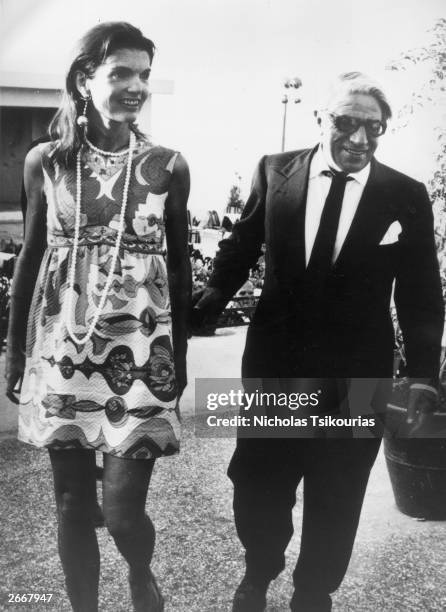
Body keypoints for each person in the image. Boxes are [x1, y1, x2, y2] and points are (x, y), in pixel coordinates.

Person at [195, 72, 444, 611]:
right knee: (259, 482)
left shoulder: (404, 195)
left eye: (372, 128)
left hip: (357, 375)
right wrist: (212, 293)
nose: (359, 139)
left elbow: (422, 293)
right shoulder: (275, 170)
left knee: (338, 491)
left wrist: (422, 374)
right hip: (276, 365)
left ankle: (314, 591)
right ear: (320, 119)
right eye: (346, 123)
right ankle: (260, 569)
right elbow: (242, 243)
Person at [5, 21, 191, 612]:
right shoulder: (47, 162)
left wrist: (177, 360)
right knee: (69, 507)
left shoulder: (169, 165)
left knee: (121, 511)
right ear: (86, 80)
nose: (136, 86)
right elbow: (30, 262)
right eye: (121, 74)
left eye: (144, 75)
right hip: (63, 354)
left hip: (141, 356)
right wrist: (16, 352)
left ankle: (140, 571)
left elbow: (182, 271)